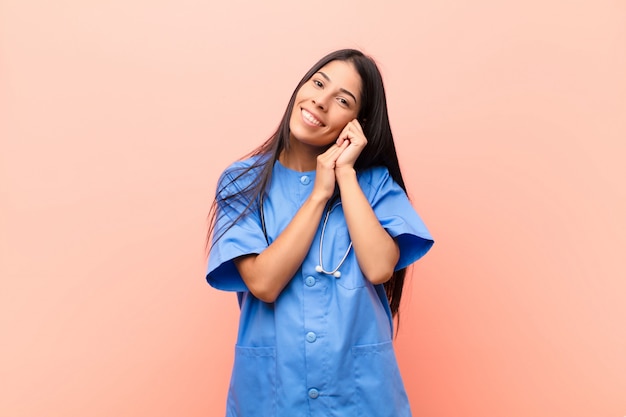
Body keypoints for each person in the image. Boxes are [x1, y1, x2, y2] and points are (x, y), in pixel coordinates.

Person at [206, 49, 434, 417]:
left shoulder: (373, 185)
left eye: (342, 100)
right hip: (274, 395)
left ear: (356, 123)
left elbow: (379, 268)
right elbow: (263, 283)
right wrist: (319, 195)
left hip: (361, 396)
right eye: (318, 83)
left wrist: (345, 174)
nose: (320, 101)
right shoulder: (242, 182)